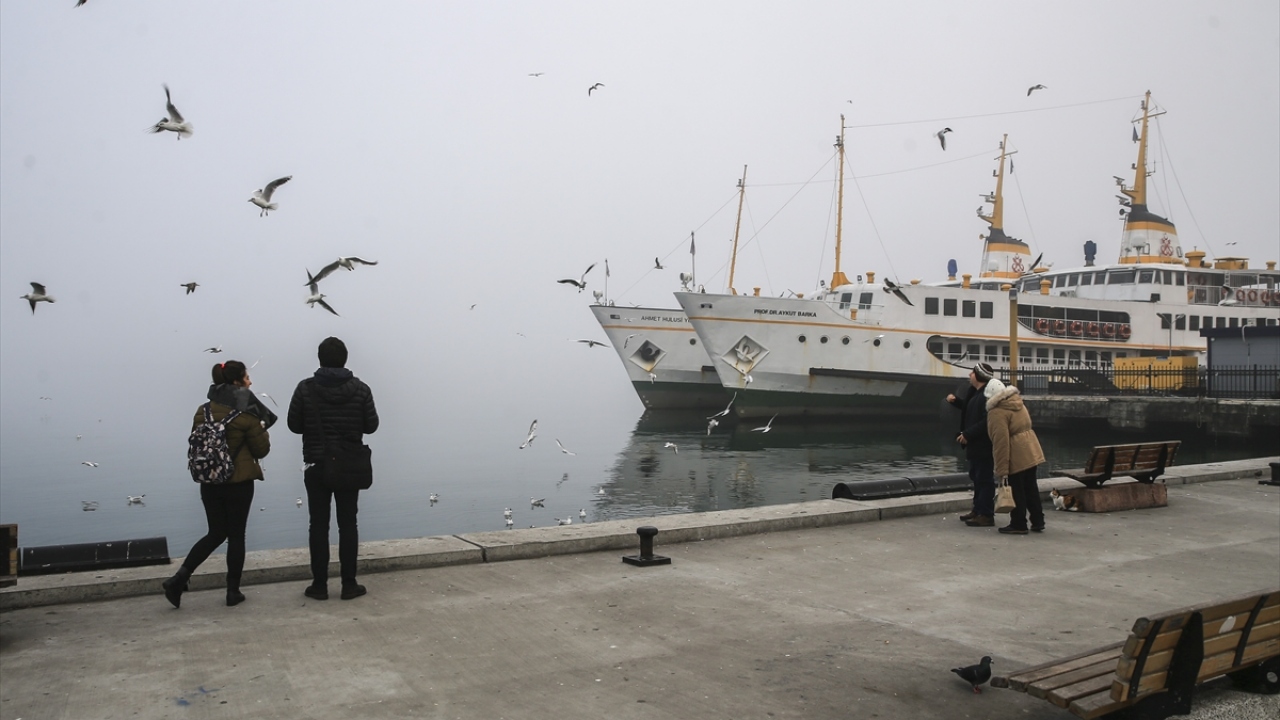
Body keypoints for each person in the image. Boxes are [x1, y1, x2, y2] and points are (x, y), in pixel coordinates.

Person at [164, 361, 271, 608]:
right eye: (246, 377)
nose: (250, 382)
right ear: (236, 382)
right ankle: (232, 592)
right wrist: (262, 430)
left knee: (215, 532)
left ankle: (179, 579)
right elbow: (261, 449)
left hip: (210, 481)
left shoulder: (203, 411)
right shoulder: (247, 412)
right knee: (236, 536)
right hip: (238, 483)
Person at [288, 337, 379, 601]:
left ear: (319, 359)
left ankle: (319, 585)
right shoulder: (361, 389)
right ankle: (349, 585)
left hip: (317, 464)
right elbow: (371, 425)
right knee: (348, 523)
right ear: (345, 359)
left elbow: (294, 425)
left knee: (318, 524)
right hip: (349, 465)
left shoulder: (305, 389)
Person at [986, 377, 1047, 535]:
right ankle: (1038, 520)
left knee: (1016, 489)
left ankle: (1019, 523)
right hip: (1031, 449)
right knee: (1030, 487)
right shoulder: (1018, 403)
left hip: (1016, 453)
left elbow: (1001, 443)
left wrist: (1001, 470)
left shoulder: (997, 412)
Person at [946, 363, 997, 527]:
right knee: (976, 477)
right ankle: (977, 509)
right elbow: (969, 409)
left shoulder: (986, 396)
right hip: (974, 444)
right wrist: (956, 402)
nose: (969, 375)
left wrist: (968, 434)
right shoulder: (974, 393)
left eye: (972, 373)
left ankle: (986, 513)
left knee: (984, 478)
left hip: (983, 444)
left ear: (979, 376)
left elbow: (987, 420)